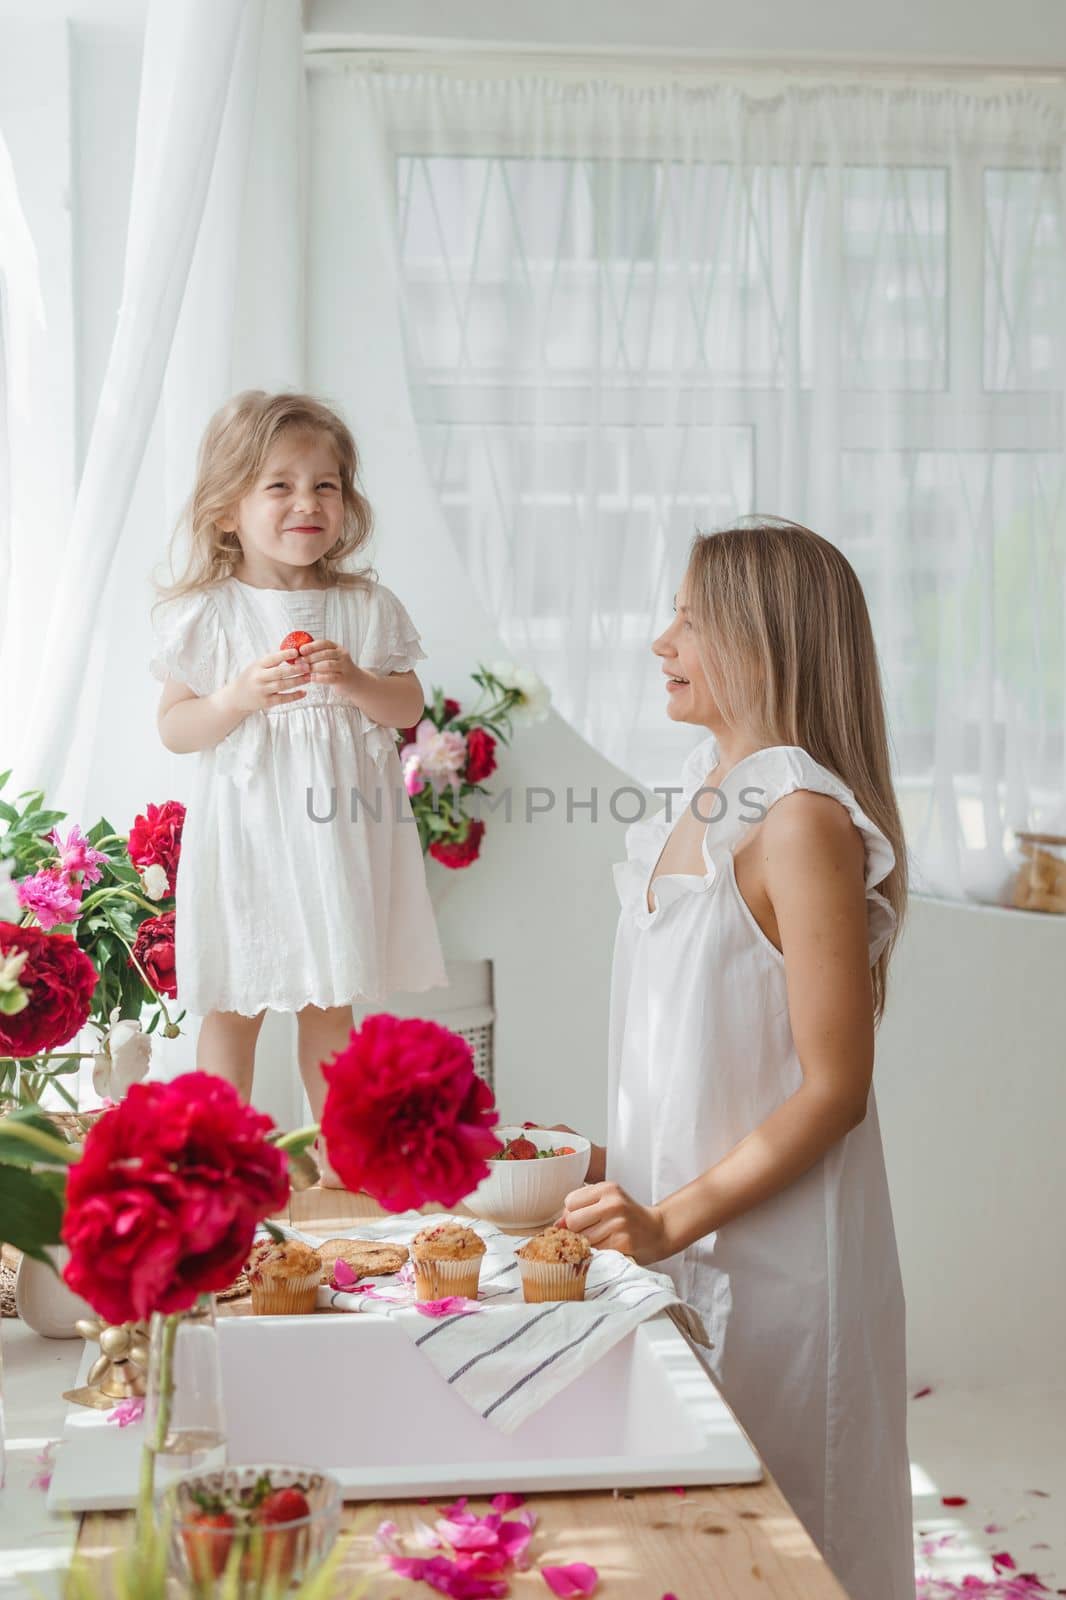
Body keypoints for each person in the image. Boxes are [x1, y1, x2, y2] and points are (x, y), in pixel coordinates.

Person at [556, 519, 915, 1600]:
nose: (659, 640)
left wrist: (670, 1217)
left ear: (764, 642)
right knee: (700, 1550)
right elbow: (702, 1042)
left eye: (689, 618)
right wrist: (604, 1158)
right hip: (688, 1248)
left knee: (793, 1550)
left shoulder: (800, 819)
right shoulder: (695, 801)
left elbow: (834, 1090)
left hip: (781, 1272)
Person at [149, 390, 447, 1136]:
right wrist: (238, 698)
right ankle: (219, 1158)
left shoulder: (367, 607)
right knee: (235, 1002)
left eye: (326, 484)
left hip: (332, 839)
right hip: (250, 840)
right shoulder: (212, 613)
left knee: (329, 999)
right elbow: (177, 729)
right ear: (227, 509)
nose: (305, 502)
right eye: (278, 484)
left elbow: (407, 707)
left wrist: (354, 682)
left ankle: (347, 1163)